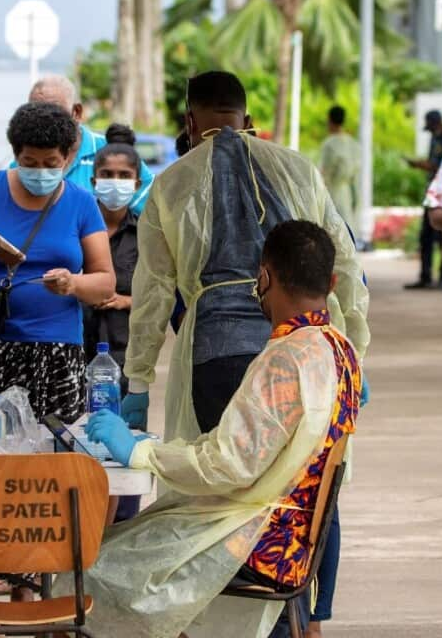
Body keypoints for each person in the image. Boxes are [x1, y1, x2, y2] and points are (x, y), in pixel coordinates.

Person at [83, 220, 361, 638]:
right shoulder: (341, 349)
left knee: (96, 564)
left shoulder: (285, 359)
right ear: (333, 282)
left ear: (263, 277)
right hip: (295, 536)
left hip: (261, 541)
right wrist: (168, 449)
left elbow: (228, 465)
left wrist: (142, 453)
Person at [123, 70, 369, 443]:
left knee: (224, 478)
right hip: (303, 349)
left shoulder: (171, 183)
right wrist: (353, 350)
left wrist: (138, 381)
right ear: (249, 121)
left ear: (189, 121)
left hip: (216, 352)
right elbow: (345, 264)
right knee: (303, 471)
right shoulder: (299, 170)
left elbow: (153, 290)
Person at [0, 101, 115, 422]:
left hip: (59, 350)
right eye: (30, 162)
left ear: (68, 159)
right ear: (15, 154)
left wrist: (73, 283)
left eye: (51, 163)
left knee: (57, 452)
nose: (41, 172)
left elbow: (104, 282)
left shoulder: (81, 203)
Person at [83, 123, 144, 522]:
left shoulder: (148, 234)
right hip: (77, 358)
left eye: (124, 177)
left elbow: (165, 294)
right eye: (108, 175)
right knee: (80, 452)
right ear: (93, 179)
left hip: (130, 361)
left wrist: (124, 300)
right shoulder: (77, 225)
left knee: (129, 454)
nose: (115, 183)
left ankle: (122, 534)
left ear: (137, 182)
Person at [26, 74, 155, 215]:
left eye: (53, 111)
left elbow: (156, 216)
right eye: (35, 113)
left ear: (76, 112)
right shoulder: (25, 163)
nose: (43, 120)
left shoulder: (113, 154)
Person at [406, 109, 442, 289]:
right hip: (433, 195)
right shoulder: (435, 138)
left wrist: (419, 164)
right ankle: (425, 276)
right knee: (426, 237)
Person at [318, 106, 360, 229]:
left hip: (331, 192)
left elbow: (324, 172)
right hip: (348, 192)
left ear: (329, 120)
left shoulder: (329, 144)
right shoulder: (353, 143)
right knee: (347, 228)